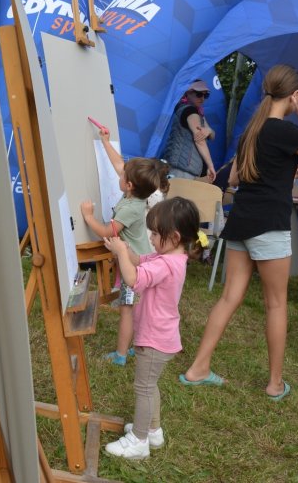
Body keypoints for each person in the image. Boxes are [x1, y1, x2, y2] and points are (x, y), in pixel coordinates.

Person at [180, 64, 298, 399]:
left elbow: (236, 179)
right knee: (276, 305)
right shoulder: (287, 130)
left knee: (229, 298)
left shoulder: (252, 130)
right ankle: (274, 384)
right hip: (270, 224)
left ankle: (198, 368)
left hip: (242, 220)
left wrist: (283, 169)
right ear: (295, 95)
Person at [102, 197, 200, 459]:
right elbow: (138, 259)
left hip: (154, 339)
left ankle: (139, 440)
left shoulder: (164, 264)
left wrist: (122, 253)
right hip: (161, 336)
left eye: (156, 233)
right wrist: (121, 249)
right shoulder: (169, 257)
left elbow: (133, 279)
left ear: (175, 236)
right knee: (150, 385)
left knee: (143, 388)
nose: (152, 237)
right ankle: (153, 430)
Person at [81, 146, 168, 366]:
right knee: (136, 309)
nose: (119, 174)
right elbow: (121, 165)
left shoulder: (131, 207)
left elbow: (107, 232)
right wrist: (106, 142)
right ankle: (134, 345)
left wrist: (89, 217)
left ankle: (121, 354)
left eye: (122, 176)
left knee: (127, 310)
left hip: (136, 267)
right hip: (137, 260)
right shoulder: (133, 193)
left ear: (129, 185)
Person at [161, 79, 216, 183]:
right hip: (182, 170)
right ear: (188, 93)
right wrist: (211, 166)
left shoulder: (197, 112)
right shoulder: (190, 111)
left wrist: (208, 130)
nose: (203, 98)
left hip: (182, 168)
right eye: (199, 94)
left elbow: (212, 135)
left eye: (206, 95)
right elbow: (200, 140)